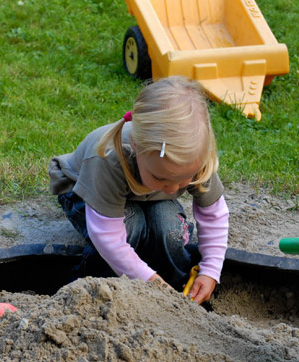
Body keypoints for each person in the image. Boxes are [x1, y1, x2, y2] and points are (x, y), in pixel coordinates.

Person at [49, 76, 229, 304]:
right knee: (132, 224)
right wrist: (147, 280)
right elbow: (108, 237)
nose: (173, 188)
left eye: (184, 179)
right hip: (85, 191)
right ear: (136, 145)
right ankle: (93, 290)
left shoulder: (194, 157)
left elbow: (214, 216)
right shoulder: (107, 157)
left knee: (168, 227)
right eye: (161, 177)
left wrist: (210, 270)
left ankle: (178, 291)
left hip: (149, 196)